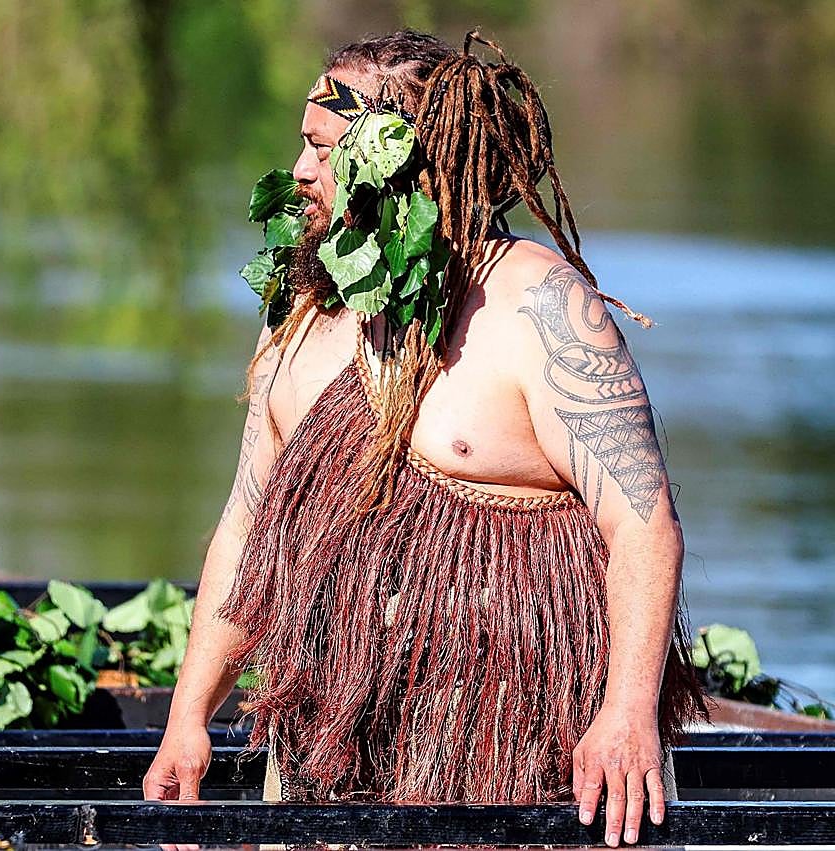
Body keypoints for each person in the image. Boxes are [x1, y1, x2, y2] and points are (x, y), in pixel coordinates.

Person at [143, 29, 707, 848]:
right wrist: (189, 715)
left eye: (322, 149)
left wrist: (624, 716)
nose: (300, 172)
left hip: (512, 760)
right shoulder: (301, 318)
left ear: (400, 160)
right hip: (331, 753)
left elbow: (644, 525)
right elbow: (246, 524)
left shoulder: (539, 308)